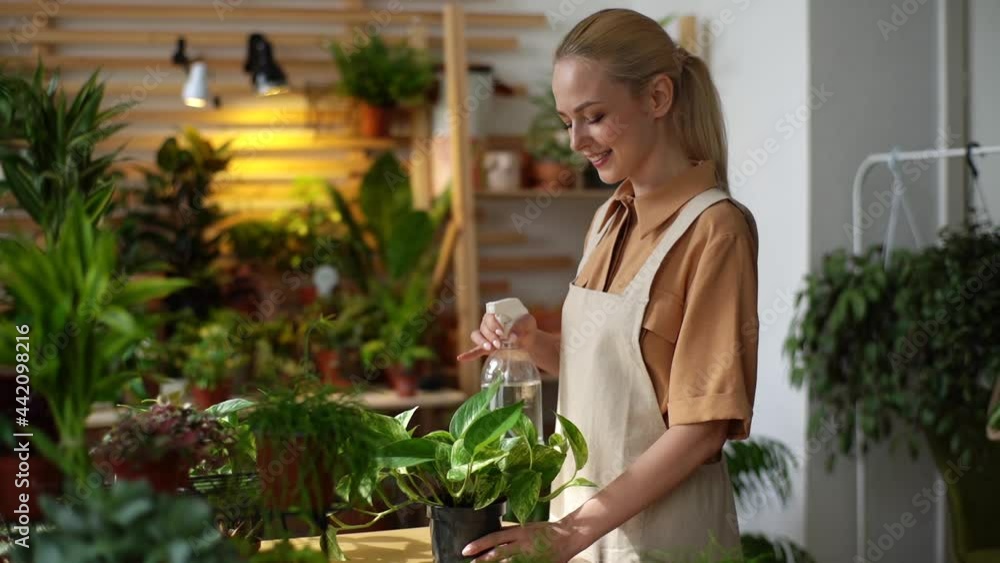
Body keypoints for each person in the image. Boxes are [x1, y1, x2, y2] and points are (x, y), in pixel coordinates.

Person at [455, 8, 759, 563]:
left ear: (658, 98)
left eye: (593, 116)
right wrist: (533, 344)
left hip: (662, 541)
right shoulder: (608, 219)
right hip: (578, 532)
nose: (576, 141)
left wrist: (572, 532)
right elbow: (614, 379)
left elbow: (703, 425)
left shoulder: (716, 229)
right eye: (567, 120)